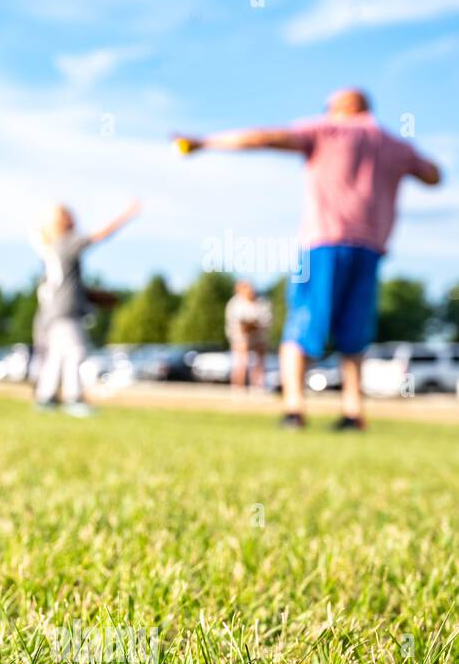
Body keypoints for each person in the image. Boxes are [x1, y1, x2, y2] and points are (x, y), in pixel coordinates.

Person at [176, 88, 442, 430]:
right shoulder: (395, 145)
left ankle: (294, 408)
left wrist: (205, 143)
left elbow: (262, 138)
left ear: (341, 107)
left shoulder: (328, 130)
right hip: (371, 248)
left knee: (301, 323)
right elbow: (434, 176)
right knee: (354, 333)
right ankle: (353, 412)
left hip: (323, 242)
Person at [29, 199, 140, 416]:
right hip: (65, 313)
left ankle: (46, 397)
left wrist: (94, 296)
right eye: (69, 216)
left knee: (57, 356)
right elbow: (101, 235)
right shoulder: (67, 242)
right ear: (62, 222)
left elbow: (68, 285)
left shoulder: (51, 250)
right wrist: (127, 214)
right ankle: (73, 397)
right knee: (75, 352)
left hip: (51, 314)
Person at [224, 280, 272, 391]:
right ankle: (238, 386)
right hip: (240, 335)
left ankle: (258, 387)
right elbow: (235, 324)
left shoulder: (262, 302)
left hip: (259, 335)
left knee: (260, 360)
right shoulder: (234, 304)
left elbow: (266, 320)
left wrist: (255, 325)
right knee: (241, 360)